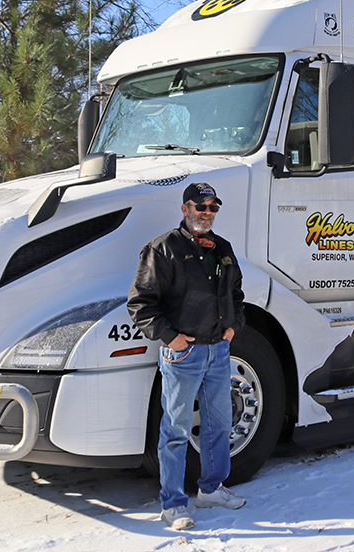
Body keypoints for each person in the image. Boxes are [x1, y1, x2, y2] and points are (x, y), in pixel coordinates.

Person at [127, 182, 247, 530]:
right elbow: (141, 304)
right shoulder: (162, 248)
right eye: (200, 206)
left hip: (218, 351)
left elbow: (236, 293)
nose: (206, 213)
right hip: (184, 354)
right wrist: (170, 337)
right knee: (176, 430)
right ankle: (173, 504)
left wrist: (233, 325)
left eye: (212, 207)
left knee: (219, 425)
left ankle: (211, 489)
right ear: (185, 209)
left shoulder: (222, 249)